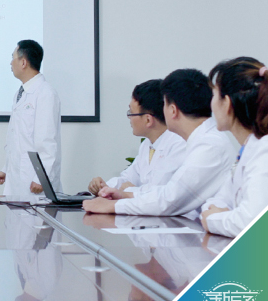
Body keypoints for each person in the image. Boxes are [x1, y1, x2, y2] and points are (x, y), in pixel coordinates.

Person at [84, 68, 235, 216]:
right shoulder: (201, 140)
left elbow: (170, 200)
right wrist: (126, 194)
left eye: (164, 105)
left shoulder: (209, 145)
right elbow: (167, 192)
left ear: (173, 110)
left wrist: (114, 205)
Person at [200, 58, 268, 237]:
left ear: (227, 104)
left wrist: (212, 220)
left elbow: (251, 224)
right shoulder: (248, 148)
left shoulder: (264, 149)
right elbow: (216, 202)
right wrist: (218, 215)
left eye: (214, 95)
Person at [88, 79, 186, 195]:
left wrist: (128, 190)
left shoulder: (179, 144)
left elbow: (159, 192)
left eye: (131, 113)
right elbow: (128, 178)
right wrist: (104, 186)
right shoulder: (147, 144)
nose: (129, 118)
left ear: (148, 120)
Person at [0, 40, 62, 200]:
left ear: (23, 62)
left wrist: (42, 178)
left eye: (13, 58)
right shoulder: (21, 93)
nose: (10, 63)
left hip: (35, 181)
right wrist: (6, 169)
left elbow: (47, 140)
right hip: (18, 177)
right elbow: (18, 139)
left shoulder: (45, 93)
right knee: (14, 214)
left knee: (35, 215)